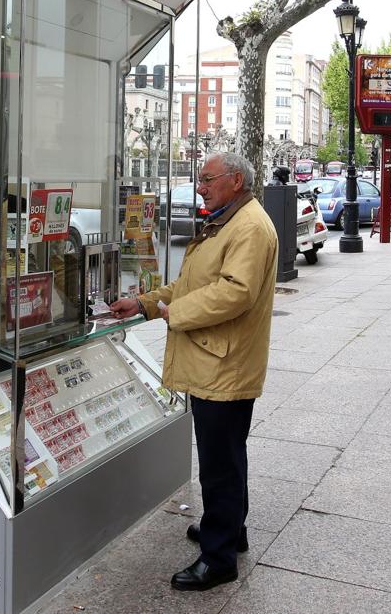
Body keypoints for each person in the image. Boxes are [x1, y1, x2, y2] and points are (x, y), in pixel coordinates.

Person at [109, 152, 277, 592]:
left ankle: (219, 558)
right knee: (226, 456)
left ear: (236, 180)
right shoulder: (227, 219)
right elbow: (191, 285)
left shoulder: (250, 227)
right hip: (216, 357)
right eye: (199, 178)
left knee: (220, 463)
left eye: (207, 178)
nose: (199, 186)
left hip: (225, 362)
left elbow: (233, 294)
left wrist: (173, 312)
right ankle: (228, 529)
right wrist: (146, 304)